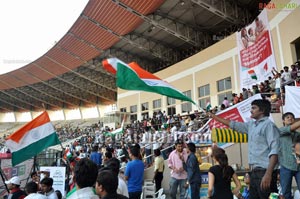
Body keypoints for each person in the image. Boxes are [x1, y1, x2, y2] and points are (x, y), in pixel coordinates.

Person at [208, 99, 280, 199]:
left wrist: (268, 174)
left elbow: (275, 151)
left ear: (262, 110)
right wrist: (214, 117)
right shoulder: (251, 125)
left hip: (265, 171)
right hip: (254, 172)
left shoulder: (269, 125)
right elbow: (233, 125)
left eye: (254, 108)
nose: (251, 110)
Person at [278, 112, 300, 199]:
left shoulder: (298, 134)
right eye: (287, 117)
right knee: (286, 192)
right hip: (285, 165)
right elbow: (291, 128)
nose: (290, 118)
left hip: (298, 166)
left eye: (292, 117)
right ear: (283, 121)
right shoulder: (280, 131)